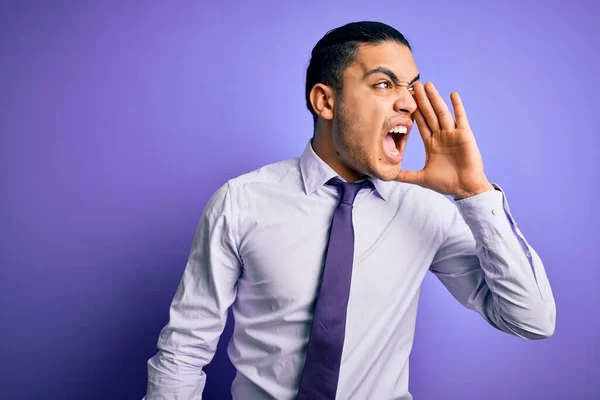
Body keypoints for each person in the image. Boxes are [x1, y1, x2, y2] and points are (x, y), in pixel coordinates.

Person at [144, 21, 556, 400]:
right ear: (325, 101)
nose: (409, 105)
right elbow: (184, 350)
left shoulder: (426, 211)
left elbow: (532, 320)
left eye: (410, 87)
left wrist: (474, 193)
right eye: (383, 84)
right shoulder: (241, 202)